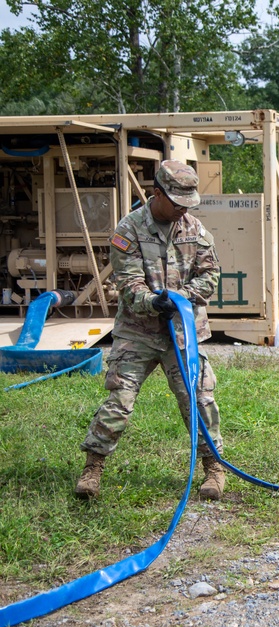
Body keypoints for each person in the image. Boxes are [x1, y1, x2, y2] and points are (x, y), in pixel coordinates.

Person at [75, 160, 227, 501]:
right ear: (156, 194)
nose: (183, 211)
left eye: (189, 204)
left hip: (183, 332)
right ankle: (93, 467)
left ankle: (214, 468)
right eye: (177, 203)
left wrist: (181, 299)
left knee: (199, 399)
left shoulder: (196, 231)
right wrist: (153, 301)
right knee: (120, 398)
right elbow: (128, 284)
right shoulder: (128, 231)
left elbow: (210, 275)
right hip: (138, 332)